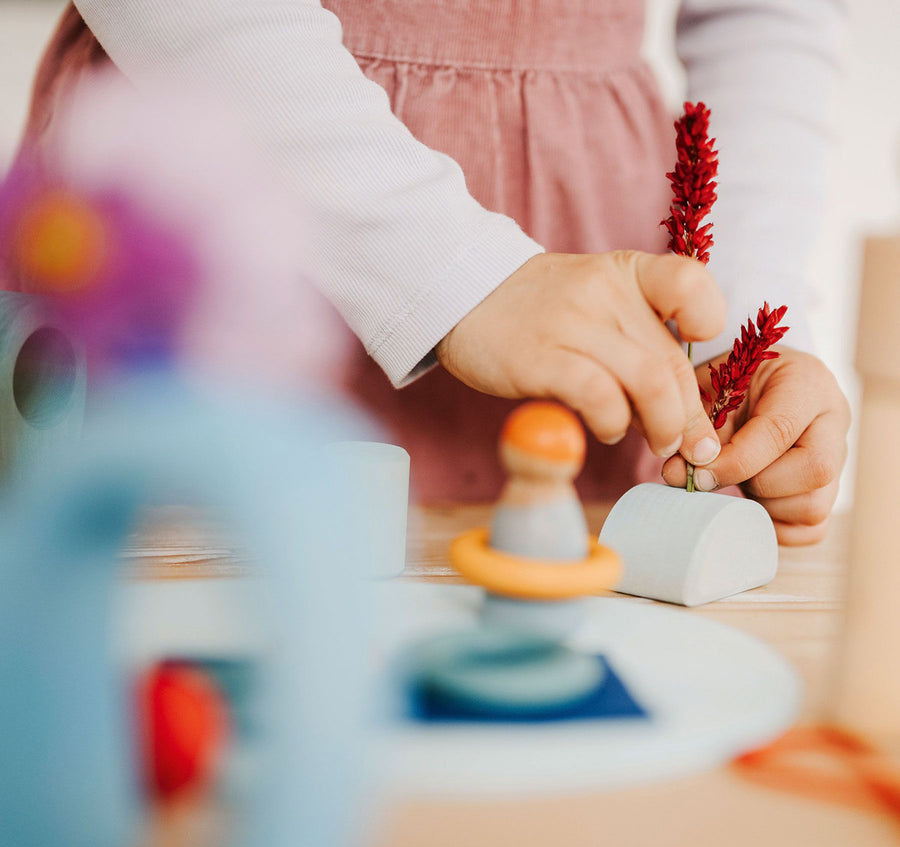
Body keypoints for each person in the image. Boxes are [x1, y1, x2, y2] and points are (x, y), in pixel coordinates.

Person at [13, 0, 849, 545]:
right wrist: (450, 270)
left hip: (592, 238)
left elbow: (768, 14)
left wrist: (744, 332)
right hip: (232, 193)